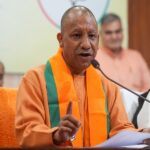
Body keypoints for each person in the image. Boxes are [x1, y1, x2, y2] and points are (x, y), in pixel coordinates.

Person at [15, 6, 150, 148]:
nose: (86, 44)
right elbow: (26, 132)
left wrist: (143, 134)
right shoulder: (35, 80)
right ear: (61, 39)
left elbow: (121, 130)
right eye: (76, 35)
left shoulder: (107, 86)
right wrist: (56, 135)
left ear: (98, 40)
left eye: (92, 36)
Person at [96, 13, 150, 92]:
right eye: (109, 33)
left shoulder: (136, 56)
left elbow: (148, 87)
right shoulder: (94, 58)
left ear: (122, 32)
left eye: (117, 31)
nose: (114, 37)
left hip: (139, 103)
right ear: (100, 34)